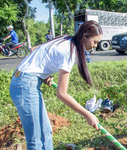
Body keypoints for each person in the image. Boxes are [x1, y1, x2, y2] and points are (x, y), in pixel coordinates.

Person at [9, 20, 102, 149]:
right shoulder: (70, 51)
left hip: (26, 81)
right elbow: (61, 94)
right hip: (24, 85)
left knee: (46, 132)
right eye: (95, 42)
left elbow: (34, 49)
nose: (95, 46)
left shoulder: (65, 39)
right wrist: (87, 114)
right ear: (84, 36)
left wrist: (43, 74)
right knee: (35, 139)